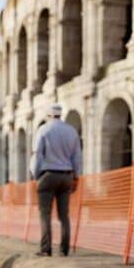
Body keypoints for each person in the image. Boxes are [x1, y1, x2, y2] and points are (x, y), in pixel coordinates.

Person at [32, 103, 82, 257]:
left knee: (45, 214)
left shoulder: (43, 130)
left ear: (48, 115)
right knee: (64, 215)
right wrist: (76, 176)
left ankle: (46, 249)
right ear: (61, 115)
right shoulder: (71, 131)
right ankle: (64, 249)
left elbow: (37, 154)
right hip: (66, 176)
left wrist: (35, 175)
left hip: (48, 175)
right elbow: (77, 156)